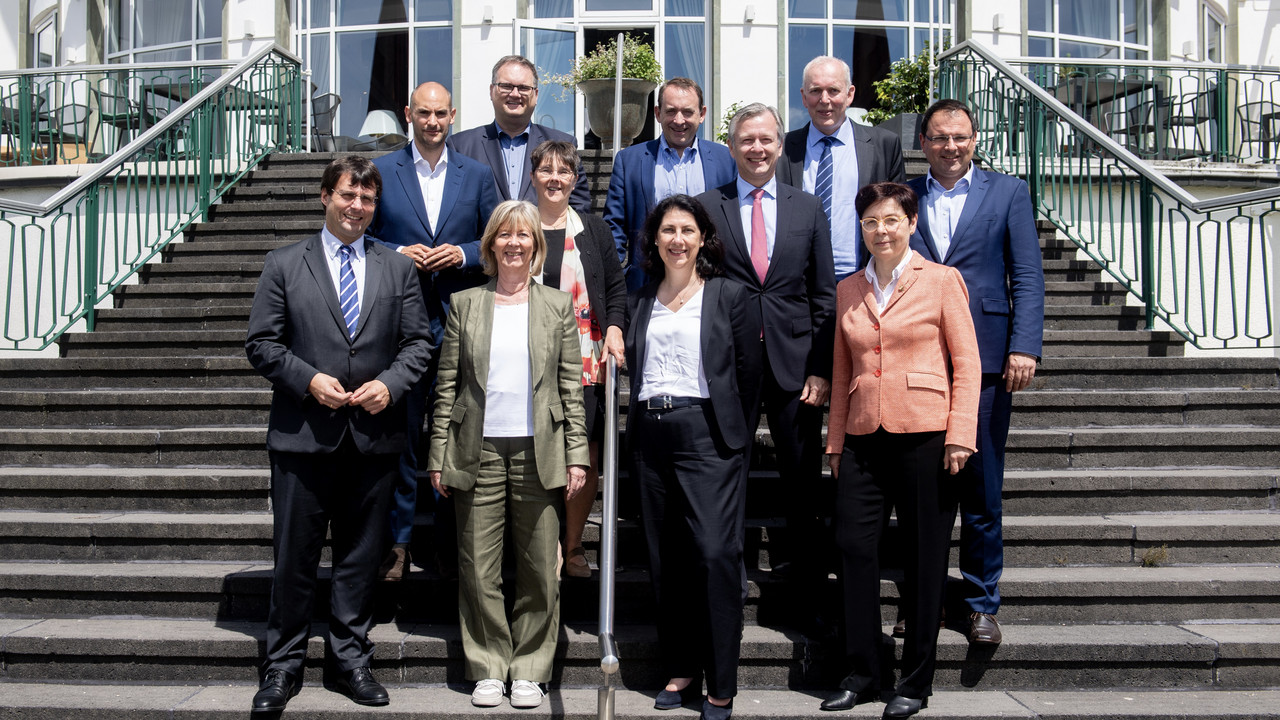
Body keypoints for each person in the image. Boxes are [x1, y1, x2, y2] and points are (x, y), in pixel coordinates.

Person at [245, 156, 432, 714]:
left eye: (368, 199)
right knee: (294, 559)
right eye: (348, 195)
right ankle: (282, 668)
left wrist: (391, 385)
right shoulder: (284, 263)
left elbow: (419, 344)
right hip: (304, 438)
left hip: (374, 440)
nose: (357, 207)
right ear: (325, 196)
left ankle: (350, 660)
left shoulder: (397, 269)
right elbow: (262, 343)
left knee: (359, 559)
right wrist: (308, 380)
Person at [820, 182, 980, 719]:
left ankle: (914, 683)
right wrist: (836, 441)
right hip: (864, 437)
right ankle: (863, 672)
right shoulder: (848, 290)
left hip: (928, 436)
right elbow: (844, 371)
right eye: (870, 222)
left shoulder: (940, 280)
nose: (881, 230)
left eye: (891, 220)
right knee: (853, 546)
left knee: (923, 556)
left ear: (911, 223)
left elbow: (969, 364)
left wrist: (961, 432)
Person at [425, 200, 589, 710]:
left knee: (542, 566)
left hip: (540, 449)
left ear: (537, 247)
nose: (515, 244)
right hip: (477, 448)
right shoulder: (466, 304)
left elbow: (569, 387)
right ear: (491, 245)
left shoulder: (557, 306)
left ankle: (531, 669)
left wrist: (577, 454)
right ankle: (489, 666)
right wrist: (437, 454)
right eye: (505, 236)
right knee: (478, 567)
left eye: (525, 236)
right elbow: (447, 383)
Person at [907, 99, 1045, 646]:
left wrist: (1024, 346)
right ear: (924, 142)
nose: (951, 147)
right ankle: (926, 602)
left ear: (974, 138)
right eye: (940, 138)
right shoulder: (904, 197)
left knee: (982, 488)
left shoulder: (1007, 193)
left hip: (987, 361)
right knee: (924, 490)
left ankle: (982, 601)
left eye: (960, 137)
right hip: (919, 364)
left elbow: (1027, 275)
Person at [696, 103, 836, 616]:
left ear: (781, 146)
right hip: (728, 363)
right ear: (730, 147)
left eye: (766, 140)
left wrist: (822, 367)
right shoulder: (707, 205)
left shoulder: (807, 207)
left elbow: (823, 294)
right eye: (746, 140)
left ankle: (808, 591)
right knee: (726, 471)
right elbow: (699, 287)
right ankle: (724, 576)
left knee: (801, 479)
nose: (757, 149)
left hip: (795, 364)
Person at [626, 194, 761, 720]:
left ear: (703, 238)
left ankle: (721, 682)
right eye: (667, 231)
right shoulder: (640, 298)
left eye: (687, 230)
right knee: (667, 560)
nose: (677, 239)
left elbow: (749, 373)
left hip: (708, 436)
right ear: (654, 240)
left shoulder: (728, 295)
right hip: (651, 437)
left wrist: (732, 435)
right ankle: (681, 667)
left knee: (713, 555)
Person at [368, 81, 500, 581]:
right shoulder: (382, 172)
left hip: (458, 325)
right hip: (399, 329)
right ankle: (398, 543)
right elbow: (367, 237)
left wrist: (464, 253)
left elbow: (496, 240)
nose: (433, 122)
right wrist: (397, 255)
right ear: (409, 114)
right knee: (403, 440)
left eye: (442, 114)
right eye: (424, 113)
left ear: (452, 115)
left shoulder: (478, 175)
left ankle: (450, 541)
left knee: (455, 439)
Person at [529, 139, 626, 578]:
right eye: (546, 170)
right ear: (533, 176)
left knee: (581, 453)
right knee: (532, 453)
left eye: (564, 171)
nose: (555, 178)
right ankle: (540, 545)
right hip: (525, 359)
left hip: (584, 361)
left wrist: (615, 330)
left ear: (574, 179)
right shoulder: (516, 225)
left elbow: (617, 290)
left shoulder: (594, 229)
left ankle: (571, 547)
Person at [777, 56, 905, 281]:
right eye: (815, 91)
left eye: (833, 90)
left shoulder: (884, 145)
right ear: (804, 97)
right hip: (799, 284)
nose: (824, 100)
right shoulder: (782, 149)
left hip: (864, 280)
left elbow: (898, 216)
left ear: (850, 94)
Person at [603, 77, 737, 290]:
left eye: (687, 112)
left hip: (709, 283)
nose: (679, 120)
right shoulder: (628, 161)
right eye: (671, 111)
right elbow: (613, 227)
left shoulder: (726, 160)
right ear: (658, 113)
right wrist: (616, 278)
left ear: (702, 114)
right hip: (645, 285)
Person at [450, 55, 591, 212]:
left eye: (524, 88)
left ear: (536, 95)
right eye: (506, 86)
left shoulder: (563, 143)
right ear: (492, 91)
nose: (515, 94)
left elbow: (579, 207)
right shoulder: (461, 147)